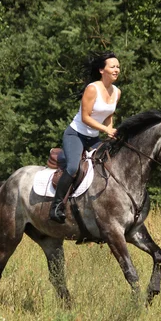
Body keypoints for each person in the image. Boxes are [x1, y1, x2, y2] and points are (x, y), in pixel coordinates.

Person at [49, 51, 121, 223]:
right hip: (76, 135)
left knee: (109, 164)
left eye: (118, 66)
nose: (117, 69)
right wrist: (106, 129)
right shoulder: (92, 89)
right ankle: (56, 206)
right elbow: (85, 117)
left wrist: (110, 132)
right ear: (102, 70)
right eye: (113, 67)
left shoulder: (117, 92)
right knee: (73, 168)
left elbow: (109, 115)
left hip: (93, 137)